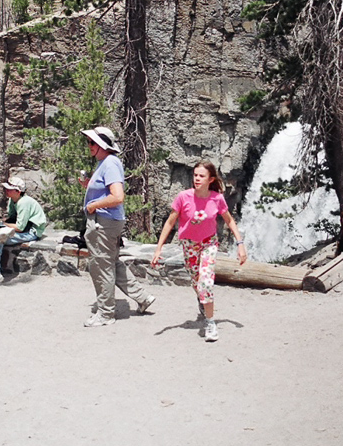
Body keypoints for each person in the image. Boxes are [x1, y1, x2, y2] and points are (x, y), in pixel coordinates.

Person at [150, 161, 248, 342]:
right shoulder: (183, 197)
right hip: (189, 246)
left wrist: (240, 243)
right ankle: (203, 301)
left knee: (205, 282)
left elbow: (229, 220)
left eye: (201, 176)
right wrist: (158, 249)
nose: (197, 178)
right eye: (195, 175)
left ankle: (210, 323)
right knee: (197, 283)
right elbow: (170, 222)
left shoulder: (216, 199)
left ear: (211, 179)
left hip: (209, 244)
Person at [79, 127, 154, 327]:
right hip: (108, 222)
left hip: (104, 223)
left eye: (92, 142)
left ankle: (105, 313)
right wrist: (89, 186)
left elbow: (118, 197)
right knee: (112, 264)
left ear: (102, 145)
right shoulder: (106, 163)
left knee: (101, 266)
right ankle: (143, 297)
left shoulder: (110, 163)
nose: (89, 146)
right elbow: (108, 192)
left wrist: (93, 205)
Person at [0, 176, 47, 285]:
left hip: (30, 232)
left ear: (18, 191)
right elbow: (11, 217)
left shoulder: (24, 203)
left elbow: (20, 228)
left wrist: (0, 223)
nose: (6, 191)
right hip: (24, 229)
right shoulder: (13, 200)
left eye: (9, 189)